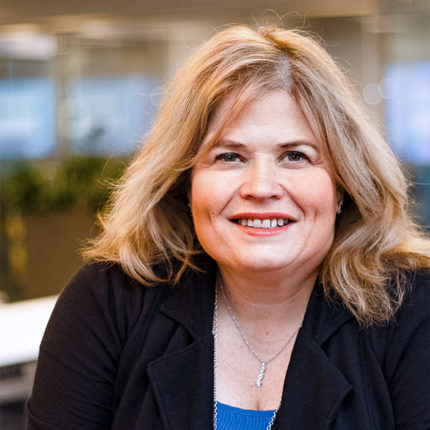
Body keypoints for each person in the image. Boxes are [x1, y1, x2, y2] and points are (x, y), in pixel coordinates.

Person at [27, 26, 430, 430]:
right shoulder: (111, 301)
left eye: (295, 156)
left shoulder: (415, 310)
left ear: (343, 183)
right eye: (229, 157)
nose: (261, 187)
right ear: (184, 182)